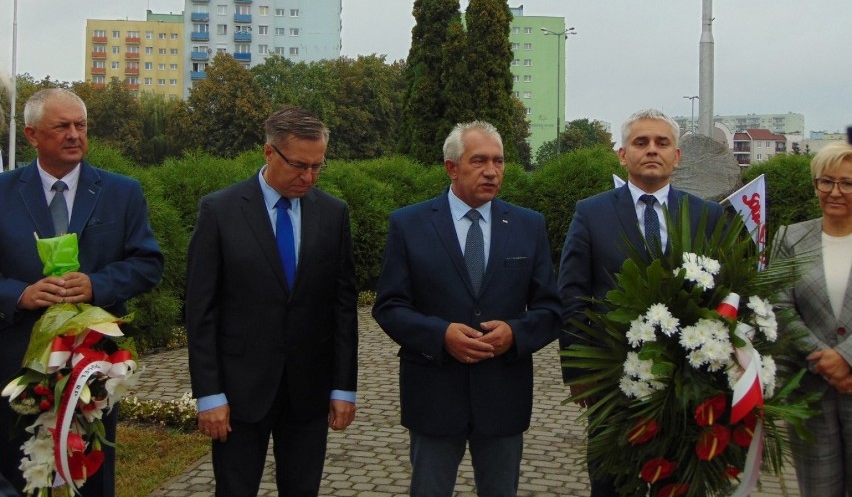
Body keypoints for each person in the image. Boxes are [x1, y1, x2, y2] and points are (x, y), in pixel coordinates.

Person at [372, 121, 561, 496]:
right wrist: (440, 336)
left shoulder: (528, 225)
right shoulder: (409, 224)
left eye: (499, 161)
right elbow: (390, 306)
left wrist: (515, 333)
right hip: (434, 392)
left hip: (503, 395)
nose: (492, 171)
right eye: (479, 161)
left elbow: (550, 308)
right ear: (451, 167)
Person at [185, 105, 358, 497]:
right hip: (239, 391)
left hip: (308, 391)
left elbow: (343, 308)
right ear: (269, 152)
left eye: (318, 166)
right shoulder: (220, 211)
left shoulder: (333, 214)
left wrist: (343, 387)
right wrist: (209, 394)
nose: (308, 177)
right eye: (299, 165)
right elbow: (201, 312)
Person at [0, 88, 164, 497]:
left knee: (89, 480)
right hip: (17, 366)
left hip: (94, 368)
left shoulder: (121, 192)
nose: (75, 134)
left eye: (81, 125)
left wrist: (97, 284)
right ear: (33, 134)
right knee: (20, 477)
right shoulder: (2, 193)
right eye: (62, 126)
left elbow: (148, 264)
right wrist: (19, 295)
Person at [557, 108, 725, 497]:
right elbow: (572, 294)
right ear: (622, 154)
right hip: (611, 380)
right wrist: (579, 373)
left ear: (677, 157)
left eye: (662, 143)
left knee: (679, 485)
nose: (652, 150)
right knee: (611, 483)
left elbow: (726, 294)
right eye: (641, 142)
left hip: (687, 382)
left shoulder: (708, 216)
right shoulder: (591, 213)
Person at [774, 142, 852, 497]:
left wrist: (846, 357)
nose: (835, 192)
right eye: (826, 182)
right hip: (809, 391)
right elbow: (778, 306)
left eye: (848, 183)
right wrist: (825, 359)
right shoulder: (790, 238)